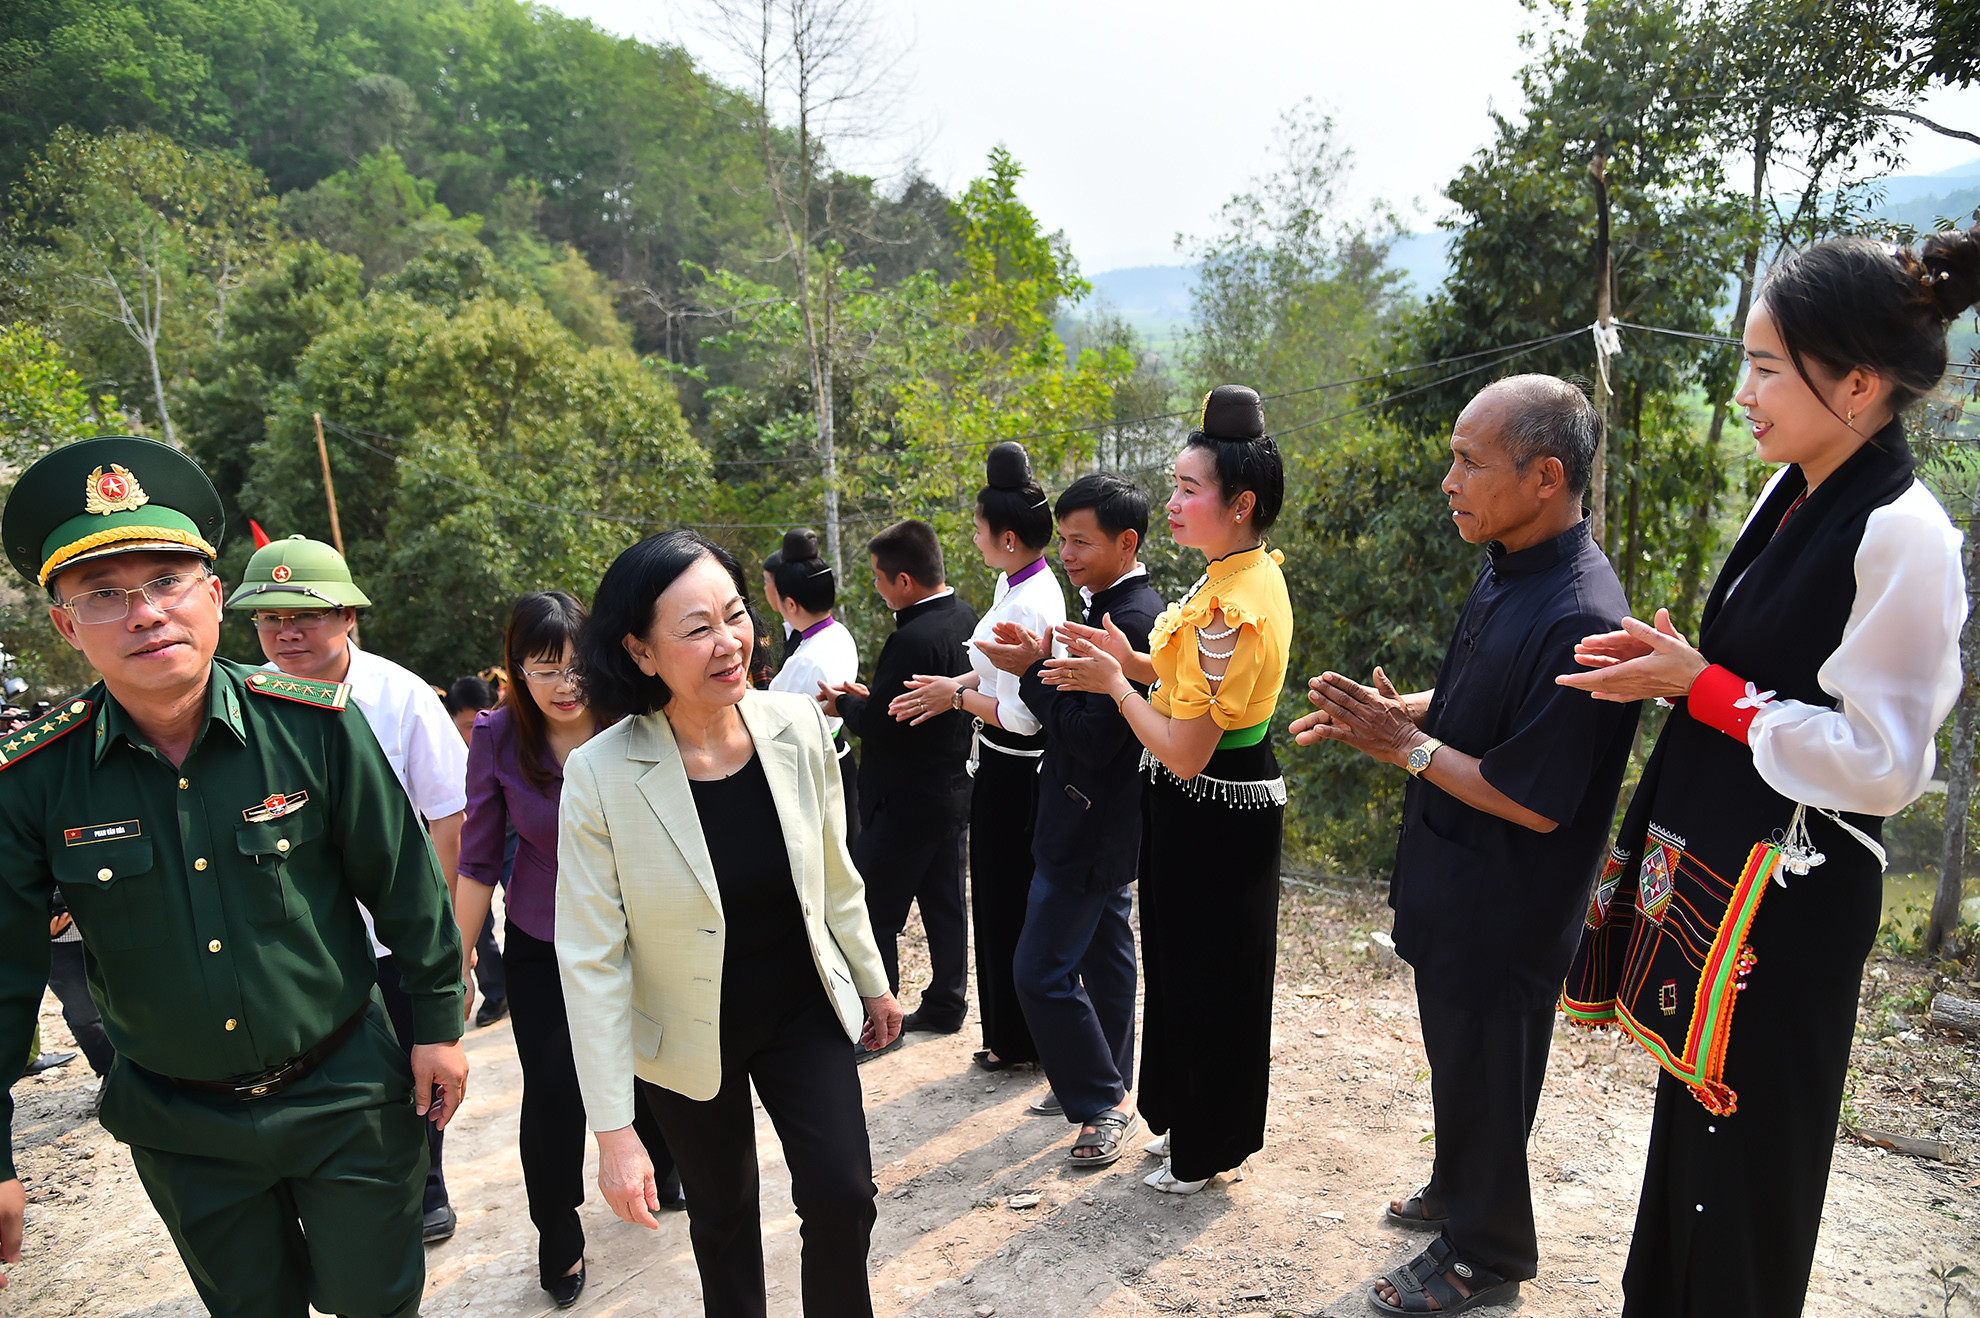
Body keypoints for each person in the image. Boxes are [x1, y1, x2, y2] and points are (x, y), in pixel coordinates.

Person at [1555, 232, 1972, 1318]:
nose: (1742, 391)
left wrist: (1708, 691)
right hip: (1731, 875)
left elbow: (1885, 764)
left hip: (1791, 901)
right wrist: (1672, 673)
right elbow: (1751, 678)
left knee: (1748, 1163)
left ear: (1859, 384)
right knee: (1689, 1148)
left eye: (1766, 367)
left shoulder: (1905, 533)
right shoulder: (1794, 492)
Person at [0, 436, 465, 1310]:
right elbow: (5, 973)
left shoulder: (316, 726)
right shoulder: (33, 779)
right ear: (66, 625)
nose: (145, 615)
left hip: (345, 1095)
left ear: (213, 596)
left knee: (380, 1301)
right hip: (183, 1126)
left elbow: (406, 884)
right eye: (104, 595)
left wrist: (438, 1024)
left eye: (167, 583)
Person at [1291, 377, 1640, 1315]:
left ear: (1544, 477)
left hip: (1509, 900)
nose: (1449, 480)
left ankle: (1486, 1253)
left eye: (1469, 461)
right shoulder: (1507, 563)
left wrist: (1402, 743)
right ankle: (1459, 1190)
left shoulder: (1579, 616)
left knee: (1489, 1067)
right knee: (1459, 1059)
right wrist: (1395, 713)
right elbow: (1486, 713)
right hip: (1454, 874)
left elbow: (1531, 800)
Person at [558, 531, 902, 1318]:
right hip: (685, 1033)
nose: (728, 642)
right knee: (723, 1222)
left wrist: (874, 984)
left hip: (799, 1009)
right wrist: (614, 1132)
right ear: (642, 653)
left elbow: (834, 874)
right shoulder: (602, 774)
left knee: (844, 1195)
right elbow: (592, 959)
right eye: (696, 628)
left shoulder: (798, 726)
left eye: (735, 614)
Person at [1045, 385, 1293, 1196]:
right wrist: (1138, 663)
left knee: (1214, 978)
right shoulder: (1235, 576)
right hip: (1203, 807)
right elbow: (1192, 688)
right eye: (1176, 485)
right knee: (1184, 970)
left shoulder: (1232, 604)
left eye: (1189, 490)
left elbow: (1186, 748)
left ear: (1241, 502)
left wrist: (1117, 684)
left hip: (1214, 804)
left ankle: (1207, 1143)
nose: (1175, 504)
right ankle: (1189, 1119)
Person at [226, 535, 470, 1243]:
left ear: (350, 618)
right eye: (269, 620)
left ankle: (426, 1185)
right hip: (300, 948)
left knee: (419, 1066)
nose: (286, 633)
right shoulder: (243, 705)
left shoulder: (399, 698)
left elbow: (448, 819)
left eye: (305, 616)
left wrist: (449, 932)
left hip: (393, 940)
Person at [456, 591, 678, 1307]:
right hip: (544, 939)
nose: (563, 684)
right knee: (554, 1093)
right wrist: (456, 962)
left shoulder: (637, 717)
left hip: (640, 931)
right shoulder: (496, 736)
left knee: (654, 1059)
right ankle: (558, 1231)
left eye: (576, 664)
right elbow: (479, 860)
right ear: (515, 671)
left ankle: (664, 1165)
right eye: (542, 667)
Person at [976, 472, 1162, 1164]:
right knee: (1105, 952)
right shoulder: (1107, 603)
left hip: (1090, 821)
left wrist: (1030, 670)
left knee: (1040, 970)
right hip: (1092, 815)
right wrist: (1039, 664)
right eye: (1065, 540)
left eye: (1082, 542)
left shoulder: (1129, 620)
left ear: (1126, 541)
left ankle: (1098, 1101)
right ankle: (1107, 1078)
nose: (1068, 554)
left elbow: (1091, 735)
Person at [889, 444, 1066, 1065]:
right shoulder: (1015, 582)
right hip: (992, 759)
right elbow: (989, 678)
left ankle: (1019, 1041)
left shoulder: (1028, 604)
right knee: (992, 897)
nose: (974, 536)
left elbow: (1019, 714)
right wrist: (957, 687)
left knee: (1007, 899)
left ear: (1010, 538)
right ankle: (1008, 1035)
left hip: (1016, 767)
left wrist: (956, 698)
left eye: (980, 528)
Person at [818, 520, 978, 1048]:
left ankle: (877, 1022)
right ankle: (948, 1001)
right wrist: (871, 695)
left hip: (905, 799)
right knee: (945, 903)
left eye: (880, 579)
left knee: (872, 911)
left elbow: (884, 723)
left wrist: (845, 703)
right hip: (953, 788)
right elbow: (902, 704)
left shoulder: (911, 636)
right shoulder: (964, 617)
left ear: (904, 581)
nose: (878, 588)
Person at [765, 528, 862, 846]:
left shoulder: (804, 661)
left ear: (790, 604)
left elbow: (772, 722)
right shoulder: (840, 634)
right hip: (837, 753)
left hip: (810, 768)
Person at [445, 675, 509, 1028]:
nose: (476, 730)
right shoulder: (440, 746)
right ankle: (495, 992)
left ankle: (521, 978)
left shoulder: (508, 732)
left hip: (514, 825)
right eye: (468, 725)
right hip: (468, 832)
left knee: (519, 901)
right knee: (475, 917)